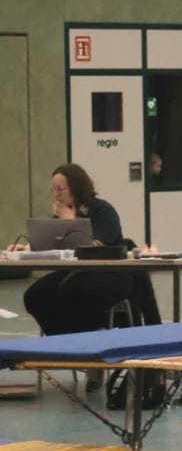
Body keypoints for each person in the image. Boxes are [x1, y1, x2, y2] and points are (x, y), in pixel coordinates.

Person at [23, 164, 161, 391]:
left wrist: (70, 221)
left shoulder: (102, 210)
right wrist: (27, 248)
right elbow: (51, 243)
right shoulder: (61, 215)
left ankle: (95, 348)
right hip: (74, 273)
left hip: (110, 273)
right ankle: (73, 346)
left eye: (60, 189)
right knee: (35, 295)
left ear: (75, 187)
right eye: (53, 189)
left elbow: (94, 246)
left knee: (76, 290)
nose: (56, 195)